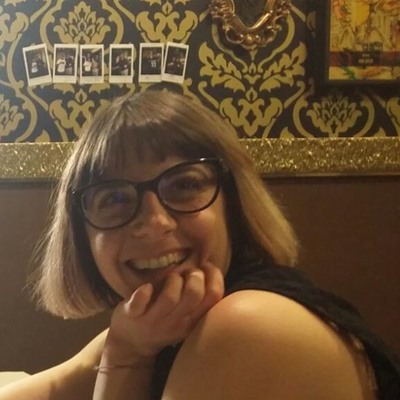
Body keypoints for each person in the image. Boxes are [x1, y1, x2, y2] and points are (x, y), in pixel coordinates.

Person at [0, 90, 399, 400]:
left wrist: (125, 359)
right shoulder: (161, 322)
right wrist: (125, 349)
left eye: (185, 185)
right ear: (82, 234)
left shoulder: (243, 326)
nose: (154, 223)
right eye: (114, 198)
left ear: (234, 204)